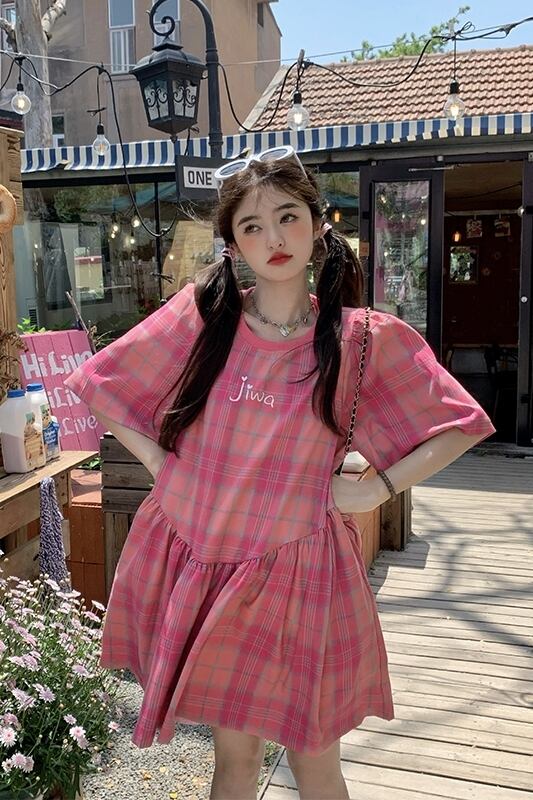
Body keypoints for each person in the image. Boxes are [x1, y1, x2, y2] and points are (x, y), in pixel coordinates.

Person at [64, 147, 496, 800]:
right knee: (234, 764)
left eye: (288, 217)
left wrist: (377, 490)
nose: (273, 238)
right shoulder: (205, 318)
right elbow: (100, 382)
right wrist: (162, 464)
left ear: (319, 224)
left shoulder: (360, 339)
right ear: (232, 243)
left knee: (315, 764)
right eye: (252, 226)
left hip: (306, 573)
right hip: (215, 564)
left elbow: (460, 423)